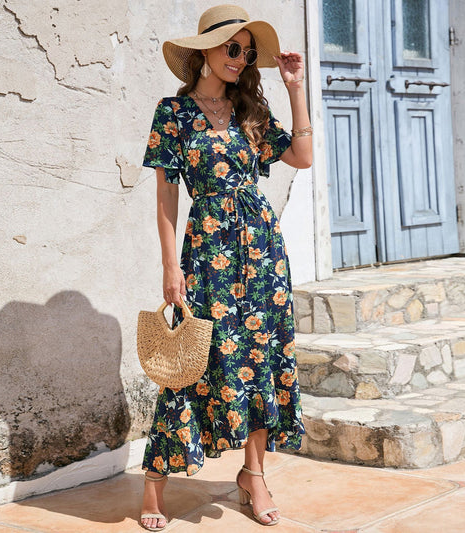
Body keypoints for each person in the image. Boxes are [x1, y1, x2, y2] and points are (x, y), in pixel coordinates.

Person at [140, 4, 312, 530]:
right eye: (231, 48)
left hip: (262, 252)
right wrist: (172, 268)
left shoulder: (248, 112)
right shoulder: (173, 113)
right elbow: (167, 197)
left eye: (246, 51)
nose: (240, 59)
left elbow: (302, 158)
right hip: (207, 251)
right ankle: (154, 484)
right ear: (205, 53)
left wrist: (294, 88)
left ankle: (254, 476)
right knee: (190, 357)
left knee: (260, 358)